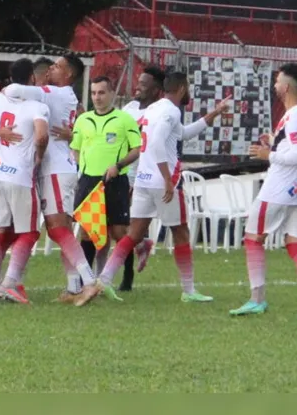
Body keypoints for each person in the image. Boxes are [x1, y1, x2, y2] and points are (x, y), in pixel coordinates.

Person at [75, 72, 228, 306]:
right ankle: (189, 289)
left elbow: (183, 133)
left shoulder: (155, 109)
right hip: (160, 182)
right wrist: (167, 178)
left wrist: (215, 113)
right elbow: (156, 143)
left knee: (133, 235)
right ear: (182, 89)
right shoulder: (171, 111)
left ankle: (103, 280)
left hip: (144, 180)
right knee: (181, 232)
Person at [0, 55, 95, 302]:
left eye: (58, 66)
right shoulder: (62, 95)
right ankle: (74, 287)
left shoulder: (56, 93)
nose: (51, 68)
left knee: (58, 228)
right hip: (58, 168)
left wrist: (7, 91)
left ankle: (90, 282)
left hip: (57, 169)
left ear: (69, 74)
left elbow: (15, 89)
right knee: (60, 229)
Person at [231, 63, 297, 320]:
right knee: (295, 244)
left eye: (277, 81)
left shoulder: (294, 117)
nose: (275, 86)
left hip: (280, 188)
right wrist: (276, 141)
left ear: (286, 87)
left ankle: (256, 299)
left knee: (252, 237)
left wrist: (268, 154)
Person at [0, 58, 49, 304]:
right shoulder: (37, 106)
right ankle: (9, 283)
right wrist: (39, 155)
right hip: (20, 177)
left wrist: (0, 133)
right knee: (31, 232)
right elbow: (41, 135)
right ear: (32, 79)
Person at [67, 75, 142, 301]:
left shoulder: (124, 120)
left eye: (101, 93)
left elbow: (137, 149)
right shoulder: (83, 120)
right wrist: (85, 168)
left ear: (111, 94)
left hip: (115, 181)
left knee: (118, 232)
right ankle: (86, 283)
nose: (97, 97)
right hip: (89, 181)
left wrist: (118, 166)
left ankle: (127, 277)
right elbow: (76, 148)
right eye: (93, 93)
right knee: (89, 231)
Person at [118, 65, 167, 290]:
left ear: (157, 89)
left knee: (126, 224)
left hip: (141, 173)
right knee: (120, 224)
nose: (138, 87)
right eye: (138, 82)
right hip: (121, 170)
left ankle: (127, 276)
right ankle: (141, 245)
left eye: (144, 84)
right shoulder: (130, 107)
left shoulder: (159, 111)